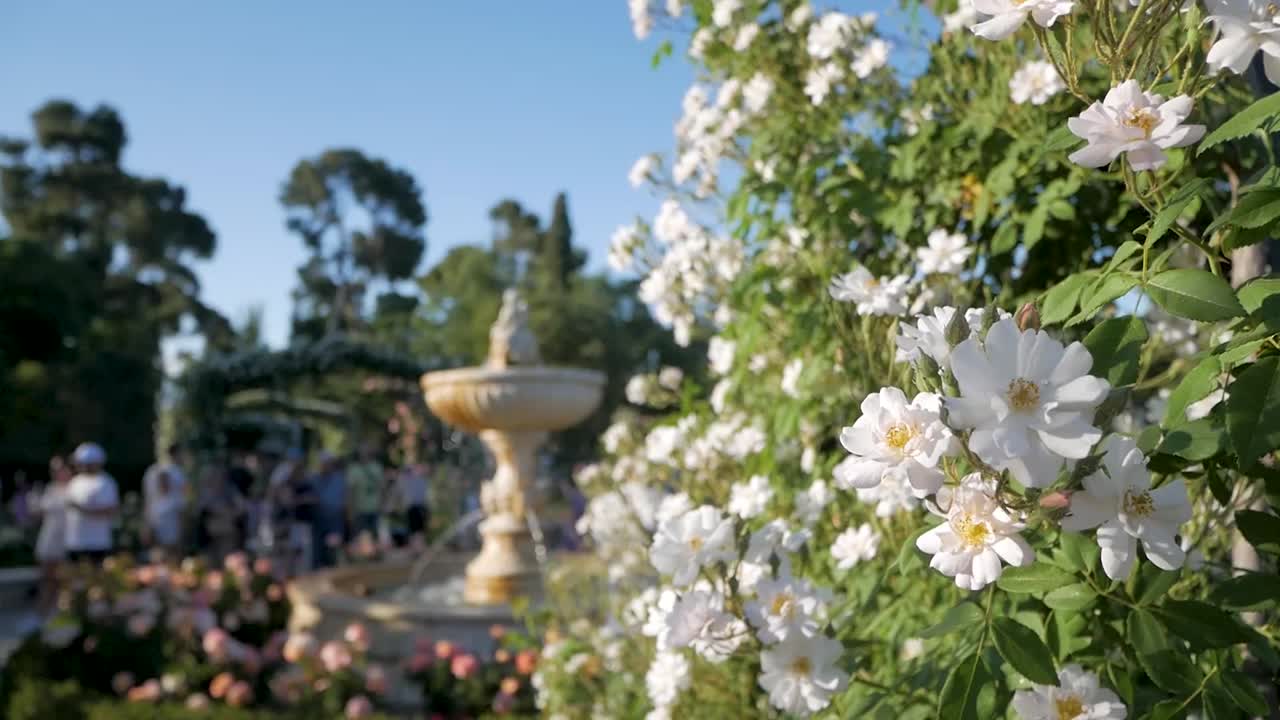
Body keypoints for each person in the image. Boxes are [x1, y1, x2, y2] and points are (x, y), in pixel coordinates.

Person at [64, 442, 120, 565]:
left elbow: (110, 510)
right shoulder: (75, 482)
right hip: (75, 542)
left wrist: (82, 509)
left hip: (97, 543)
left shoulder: (106, 483)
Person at [33, 456, 72, 613]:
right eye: (54, 470)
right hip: (48, 538)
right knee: (46, 578)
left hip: (66, 541)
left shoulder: (74, 489)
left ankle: (59, 613)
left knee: (63, 580)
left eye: (60, 469)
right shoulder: (50, 489)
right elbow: (40, 514)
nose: (57, 473)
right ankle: (42, 614)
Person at [195, 465, 247, 564]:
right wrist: (222, 511)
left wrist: (228, 513)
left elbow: (242, 508)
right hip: (210, 536)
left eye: (221, 475)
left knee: (229, 562)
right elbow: (202, 510)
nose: (219, 478)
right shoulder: (206, 491)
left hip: (228, 534)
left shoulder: (231, 490)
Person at [142, 444, 188, 548]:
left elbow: (148, 498)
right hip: (170, 516)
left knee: (159, 551)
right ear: (176, 454)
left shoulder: (152, 470)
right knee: (169, 550)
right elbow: (166, 491)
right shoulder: (175, 472)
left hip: (156, 515)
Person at [311, 452, 346, 568]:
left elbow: (344, 498)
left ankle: (333, 569)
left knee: (333, 549)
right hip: (319, 518)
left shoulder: (339, 479)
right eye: (324, 464)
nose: (326, 466)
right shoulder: (313, 479)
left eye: (329, 464)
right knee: (318, 550)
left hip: (335, 517)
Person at [346, 445, 384, 540]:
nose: (364, 454)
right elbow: (350, 491)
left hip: (374, 510)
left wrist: (381, 506)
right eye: (362, 452)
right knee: (359, 539)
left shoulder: (377, 467)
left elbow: (381, 489)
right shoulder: (353, 469)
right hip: (359, 510)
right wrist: (350, 510)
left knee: (373, 539)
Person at [146, 468, 183, 557]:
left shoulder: (176, 498)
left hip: (174, 537)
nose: (163, 483)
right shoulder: (153, 500)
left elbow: (181, 517)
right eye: (161, 481)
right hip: (157, 538)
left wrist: (181, 535)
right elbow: (149, 518)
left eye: (165, 480)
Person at [397, 462, 429, 543]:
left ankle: (418, 548)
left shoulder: (420, 480)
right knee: (414, 530)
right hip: (414, 507)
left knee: (418, 530)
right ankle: (416, 548)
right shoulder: (411, 480)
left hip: (418, 507)